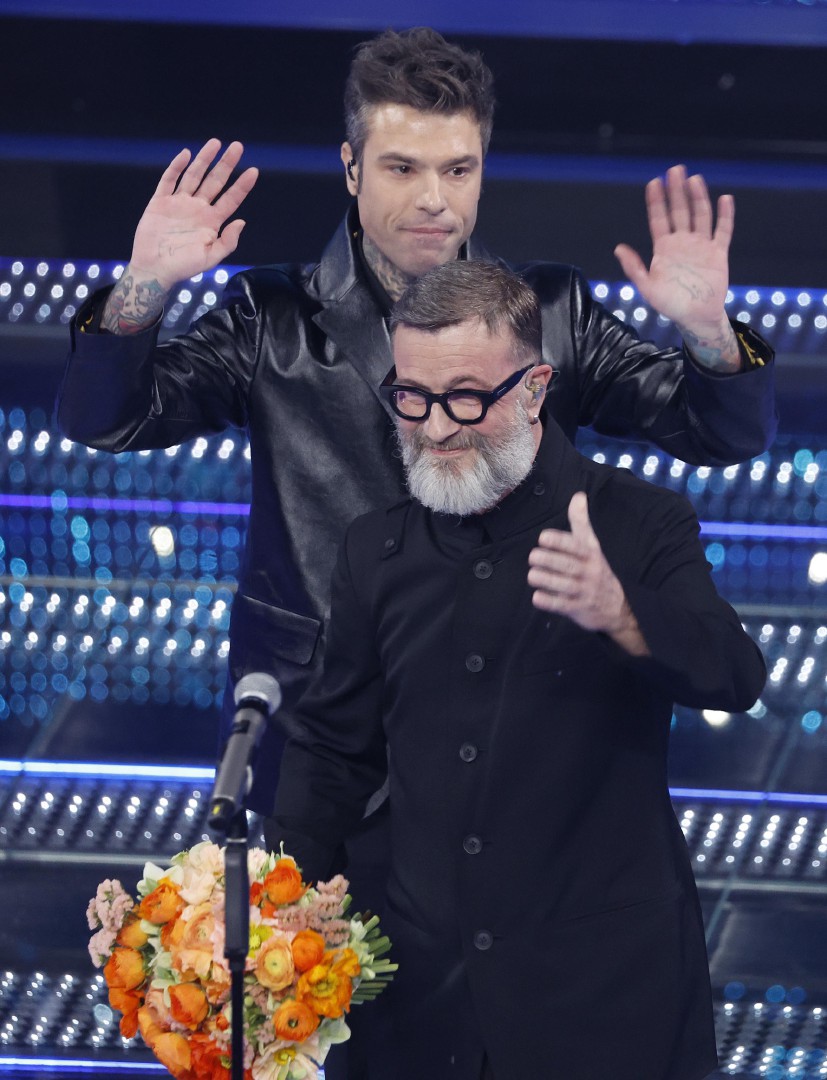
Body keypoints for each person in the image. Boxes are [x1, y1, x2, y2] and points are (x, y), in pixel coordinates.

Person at [56, 27, 774, 846]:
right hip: (324, 733)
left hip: (515, 732)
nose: (434, 198)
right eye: (403, 168)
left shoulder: (551, 315)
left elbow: (716, 433)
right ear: (352, 167)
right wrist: (143, 288)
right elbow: (105, 419)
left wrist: (710, 334)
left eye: (457, 169)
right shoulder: (271, 319)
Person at [271, 260, 767, 1080]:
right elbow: (329, 751)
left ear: (535, 389)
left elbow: (734, 674)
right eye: (412, 399)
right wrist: (282, 919)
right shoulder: (375, 548)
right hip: (415, 1006)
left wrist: (622, 614)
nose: (434, 429)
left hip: (601, 1003)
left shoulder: (637, 519)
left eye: (467, 398)